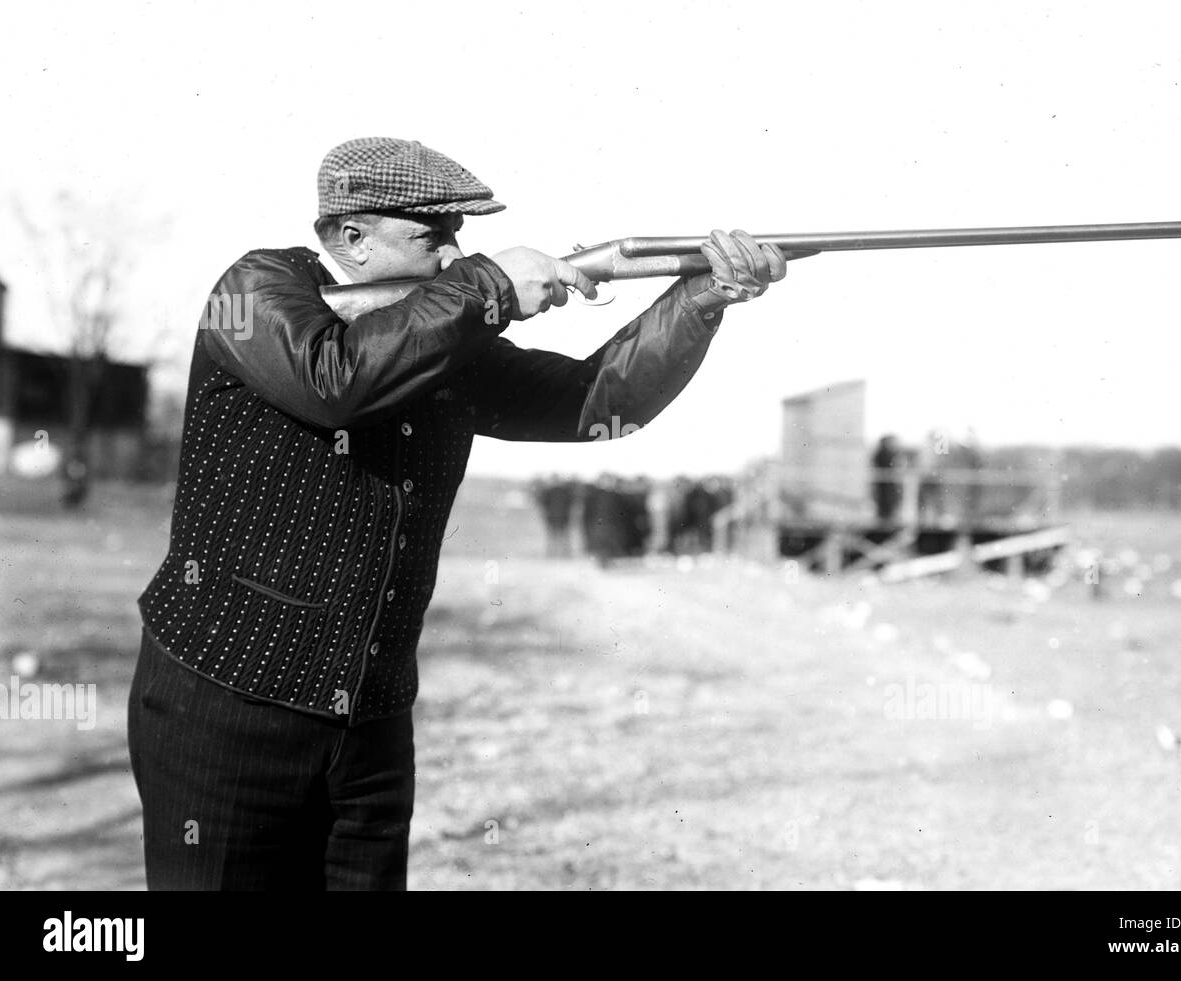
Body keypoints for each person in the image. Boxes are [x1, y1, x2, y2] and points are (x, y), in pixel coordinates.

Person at [128, 137, 787, 890]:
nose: (451, 253)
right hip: (225, 711)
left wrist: (702, 295)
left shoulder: (445, 338)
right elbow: (334, 380)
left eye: (459, 238)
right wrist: (490, 287)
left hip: (371, 727)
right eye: (429, 235)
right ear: (352, 239)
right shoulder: (257, 289)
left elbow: (603, 402)